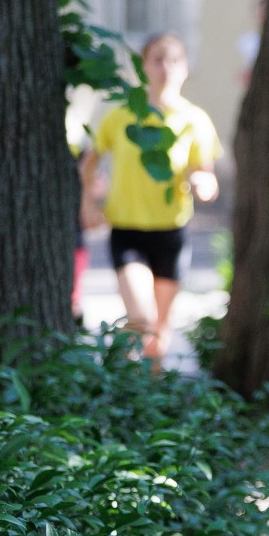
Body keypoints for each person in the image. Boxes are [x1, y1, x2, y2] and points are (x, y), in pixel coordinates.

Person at [80, 33, 222, 364]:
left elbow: (207, 176)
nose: (165, 68)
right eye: (157, 60)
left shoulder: (195, 120)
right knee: (141, 318)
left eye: (174, 60)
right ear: (144, 66)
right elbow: (89, 164)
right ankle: (120, 373)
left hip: (171, 233)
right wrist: (88, 204)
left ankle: (149, 390)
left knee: (159, 334)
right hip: (127, 231)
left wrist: (204, 185)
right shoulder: (122, 116)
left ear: (185, 67)